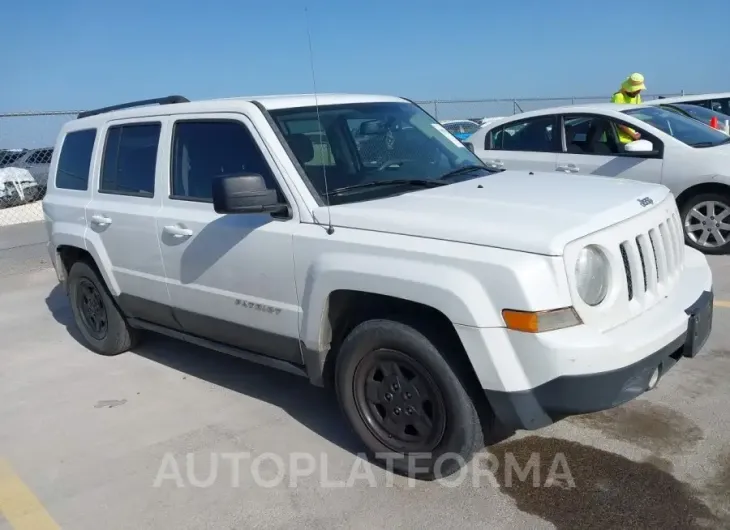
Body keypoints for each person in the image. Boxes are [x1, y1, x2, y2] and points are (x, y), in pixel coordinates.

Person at [611, 73, 646, 143]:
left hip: (632, 138)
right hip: (619, 139)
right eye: (637, 89)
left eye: (639, 89)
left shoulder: (637, 97)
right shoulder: (619, 96)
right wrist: (633, 135)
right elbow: (618, 122)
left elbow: (637, 116)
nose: (639, 91)